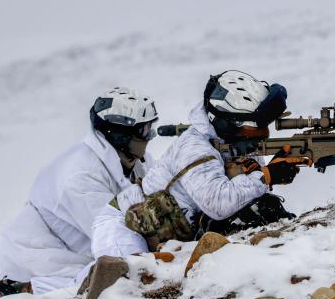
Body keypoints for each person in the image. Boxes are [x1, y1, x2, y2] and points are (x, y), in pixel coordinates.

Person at [0, 88, 157, 299]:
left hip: (76, 249)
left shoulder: (134, 161)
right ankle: (18, 290)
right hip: (39, 257)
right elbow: (118, 236)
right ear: (120, 133)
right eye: (144, 130)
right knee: (114, 275)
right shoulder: (81, 176)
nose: (151, 136)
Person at [125, 70, 299, 248]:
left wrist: (262, 173)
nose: (264, 135)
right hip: (133, 234)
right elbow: (219, 204)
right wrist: (266, 176)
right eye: (255, 128)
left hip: (189, 221)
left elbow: (245, 193)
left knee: (265, 207)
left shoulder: (233, 140)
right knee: (260, 209)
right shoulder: (195, 148)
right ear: (227, 124)